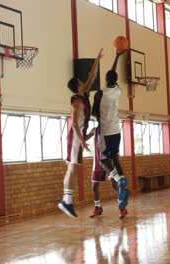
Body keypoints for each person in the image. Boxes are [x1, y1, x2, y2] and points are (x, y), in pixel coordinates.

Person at [58, 48, 104, 218]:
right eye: (81, 81)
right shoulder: (76, 102)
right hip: (75, 137)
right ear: (78, 84)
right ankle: (66, 202)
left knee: (71, 169)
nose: (85, 81)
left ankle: (66, 201)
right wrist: (82, 141)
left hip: (78, 137)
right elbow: (75, 124)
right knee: (72, 169)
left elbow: (92, 76)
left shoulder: (84, 95)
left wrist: (97, 60)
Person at [90, 49, 130, 219]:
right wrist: (117, 57)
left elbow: (93, 113)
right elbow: (112, 76)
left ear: (105, 80)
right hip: (116, 130)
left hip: (105, 131)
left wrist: (98, 113)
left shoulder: (100, 93)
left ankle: (119, 179)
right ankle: (121, 179)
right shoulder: (118, 91)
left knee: (103, 160)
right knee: (115, 159)